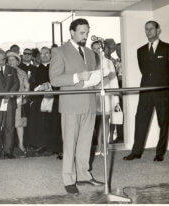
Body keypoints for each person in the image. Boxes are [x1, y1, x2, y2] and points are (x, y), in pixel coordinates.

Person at [49, 18, 104, 194]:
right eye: (82, 32)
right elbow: (55, 79)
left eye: (87, 32)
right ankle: (68, 178)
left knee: (86, 143)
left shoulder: (90, 52)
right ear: (72, 32)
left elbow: (92, 76)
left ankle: (84, 175)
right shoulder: (59, 52)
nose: (85, 36)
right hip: (71, 104)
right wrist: (76, 77)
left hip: (89, 102)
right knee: (70, 144)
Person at [123, 21, 169, 162]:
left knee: (163, 122)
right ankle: (136, 152)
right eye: (146, 29)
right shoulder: (141, 50)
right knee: (140, 120)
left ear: (158, 30)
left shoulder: (168, 48)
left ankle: (160, 153)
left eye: (151, 29)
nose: (148, 32)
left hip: (162, 91)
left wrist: (163, 83)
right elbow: (144, 70)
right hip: (146, 91)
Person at [95, 40, 120, 155]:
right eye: (94, 48)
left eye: (99, 48)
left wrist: (116, 98)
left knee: (105, 120)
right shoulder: (89, 62)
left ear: (103, 48)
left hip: (106, 95)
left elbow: (114, 80)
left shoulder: (108, 62)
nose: (97, 50)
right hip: (93, 96)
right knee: (95, 122)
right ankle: (98, 145)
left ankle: (103, 146)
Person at [6, 51, 29, 156]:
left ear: (17, 61)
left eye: (13, 59)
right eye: (9, 60)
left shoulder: (22, 73)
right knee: (7, 124)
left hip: (19, 100)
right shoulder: (4, 71)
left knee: (19, 124)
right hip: (6, 101)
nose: (11, 62)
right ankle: (7, 146)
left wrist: (23, 96)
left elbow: (26, 87)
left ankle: (21, 144)